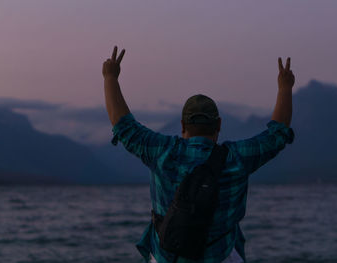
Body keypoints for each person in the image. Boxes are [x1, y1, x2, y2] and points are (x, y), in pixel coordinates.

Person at [103, 46, 295, 263]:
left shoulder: (162, 152)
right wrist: (284, 87)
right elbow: (277, 135)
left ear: (183, 125)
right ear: (219, 125)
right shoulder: (238, 158)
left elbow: (124, 126)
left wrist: (110, 77)